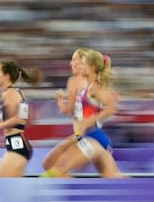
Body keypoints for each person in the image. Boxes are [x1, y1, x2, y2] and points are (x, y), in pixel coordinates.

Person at [42, 49, 125, 178]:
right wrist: (61, 102)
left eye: (83, 63)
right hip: (85, 136)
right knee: (112, 176)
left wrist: (90, 120)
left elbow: (111, 107)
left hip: (94, 137)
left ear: (91, 67)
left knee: (57, 168)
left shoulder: (94, 87)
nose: (80, 66)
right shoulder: (87, 85)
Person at [0, 59, 43, 177]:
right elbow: (28, 118)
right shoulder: (13, 92)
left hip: (17, 146)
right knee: (11, 187)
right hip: (15, 144)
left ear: (6, 76)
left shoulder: (11, 93)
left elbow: (21, 119)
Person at [41, 48, 89, 172]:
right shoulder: (73, 82)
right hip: (79, 136)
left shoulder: (87, 82)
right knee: (50, 166)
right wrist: (60, 100)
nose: (70, 63)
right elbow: (69, 110)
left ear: (83, 62)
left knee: (52, 167)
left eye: (73, 60)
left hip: (86, 136)